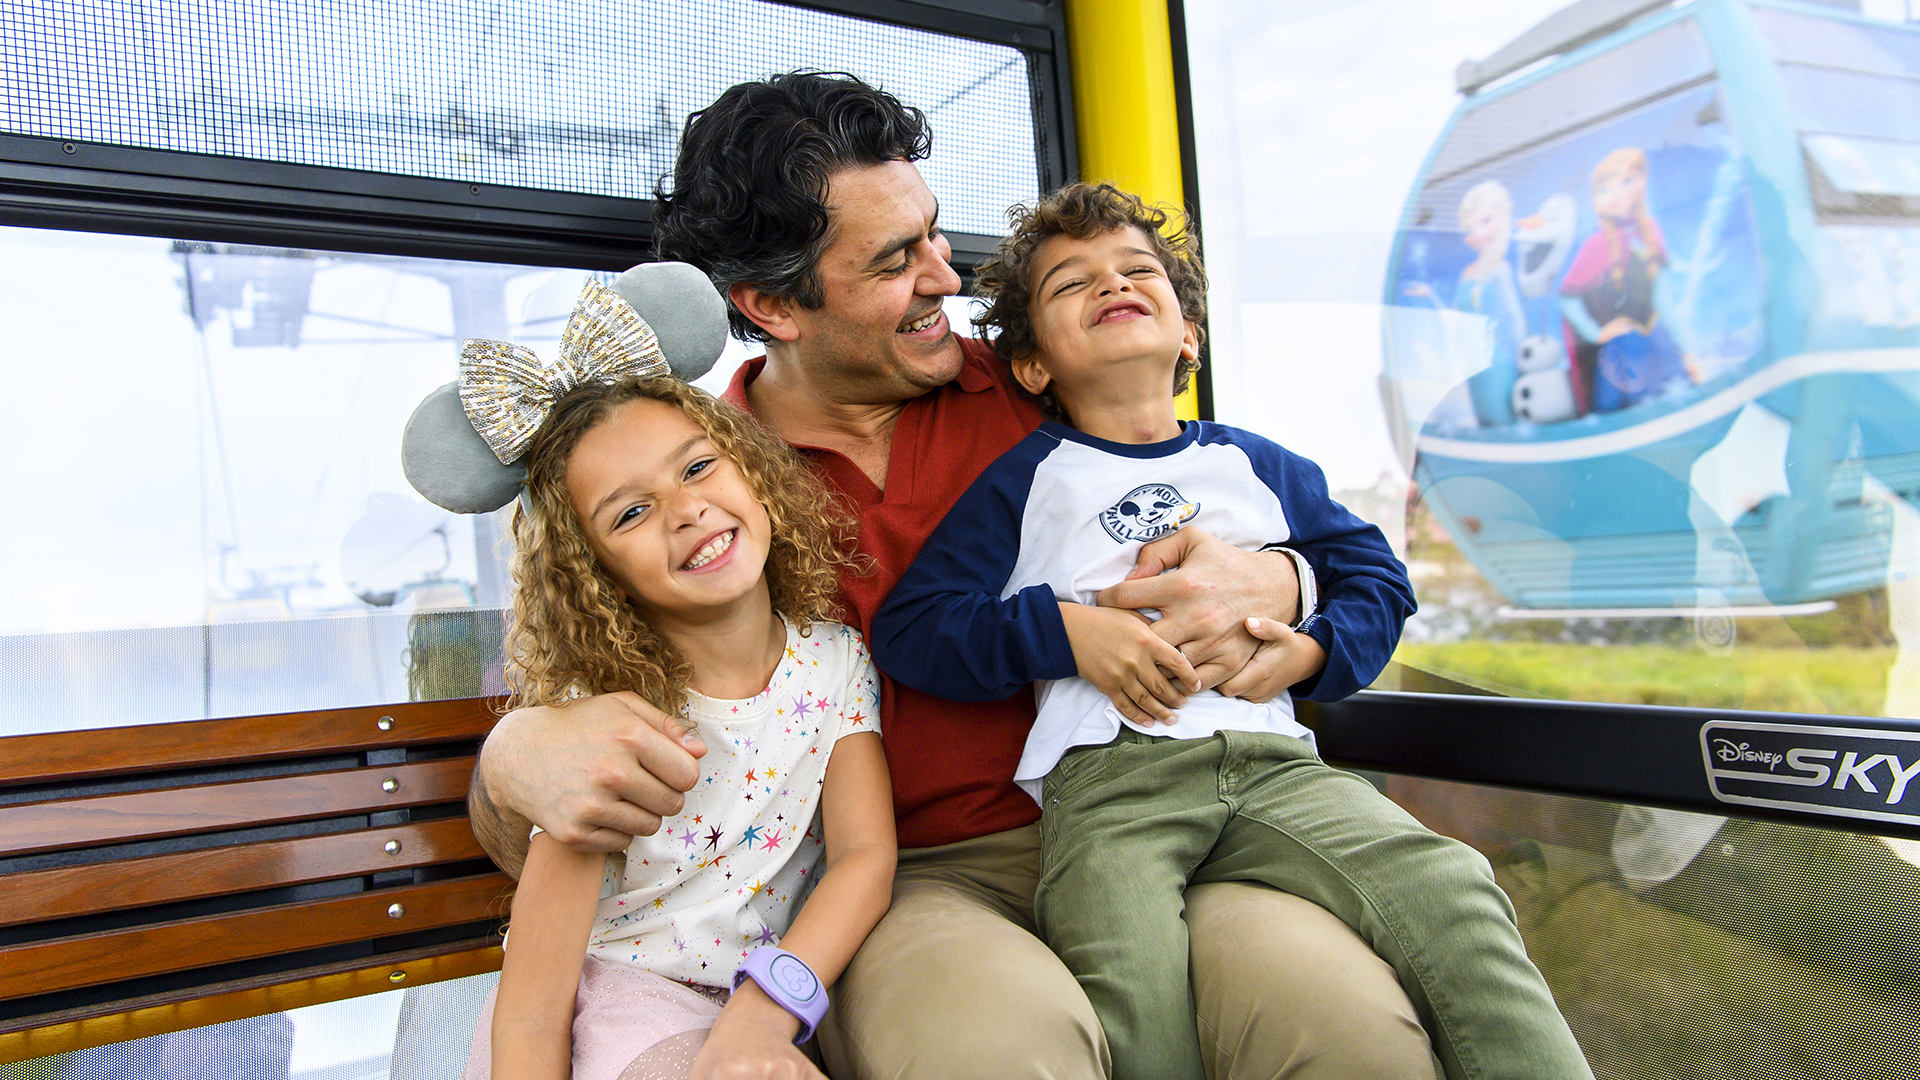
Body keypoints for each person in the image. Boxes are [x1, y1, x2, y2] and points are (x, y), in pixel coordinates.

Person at [469, 72, 1445, 1080]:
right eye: (897, 260)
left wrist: (1279, 582)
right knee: (998, 1054)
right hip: (919, 884)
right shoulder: (706, 491)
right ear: (772, 304)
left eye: (936, 234)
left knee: (1350, 1031)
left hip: (1176, 821)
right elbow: (587, 722)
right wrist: (513, 758)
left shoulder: (1053, 386)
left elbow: (1283, 520)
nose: (949, 277)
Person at [867, 182, 1591, 1080]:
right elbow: (915, 628)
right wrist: (1068, 633)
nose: (1110, 285)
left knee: (1453, 891)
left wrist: (1316, 646)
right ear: (1033, 367)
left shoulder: (1257, 464)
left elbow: (1377, 580)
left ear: (1189, 336)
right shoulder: (1028, 481)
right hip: (1111, 786)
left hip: (1277, 768)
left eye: (1137, 272)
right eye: (1071, 286)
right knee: (1132, 989)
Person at [455, 289, 895, 1080]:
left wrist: (766, 1014)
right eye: (631, 514)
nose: (688, 510)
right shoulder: (605, 732)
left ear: (753, 471)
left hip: (762, 1001)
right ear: (595, 575)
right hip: (625, 1006)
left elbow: (865, 858)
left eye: (697, 467)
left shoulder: (836, 664)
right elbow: (533, 1004)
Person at [1560, 147, 1693, 413]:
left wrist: (1688, 352)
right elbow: (1568, 300)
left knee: (1672, 402)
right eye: (1604, 190)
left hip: (1656, 344)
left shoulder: (1649, 231)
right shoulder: (1596, 245)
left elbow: (1663, 300)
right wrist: (1597, 334)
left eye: (1626, 181)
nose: (1615, 195)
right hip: (1619, 354)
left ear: (1641, 183)